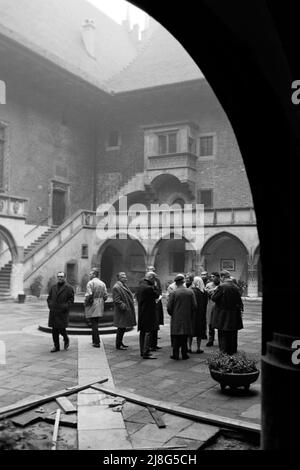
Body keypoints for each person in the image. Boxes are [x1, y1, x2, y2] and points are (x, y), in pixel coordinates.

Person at [211, 270, 244, 355]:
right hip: (234, 314)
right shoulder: (235, 286)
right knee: (233, 333)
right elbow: (239, 301)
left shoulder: (222, 286)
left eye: (221, 277)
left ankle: (223, 351)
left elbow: (214, 298)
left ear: (222, 277)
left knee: (223, 334)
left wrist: (214, 291)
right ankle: (232, 350)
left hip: (223, 314)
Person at [167, 273, 196, 360]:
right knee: (184, 336)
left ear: (176, 283)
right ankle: (184, 354)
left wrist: (173, 313)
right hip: (187, 317)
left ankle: (175, 354)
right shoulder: (190, 292)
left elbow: (169, 307)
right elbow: (194, 306)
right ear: (183, 282)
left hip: (176, 317)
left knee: (176, 336)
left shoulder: (173, 293)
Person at [47, 271, 74, 352]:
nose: (60, 278)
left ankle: (66, 339)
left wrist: (65, 306)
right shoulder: (53, 287)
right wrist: (50, 305)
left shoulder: (69, 288)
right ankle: (56, 346)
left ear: (64, 277)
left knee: (62, 329)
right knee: (54, 330)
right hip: (54, 311)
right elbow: (49, 298)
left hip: (62, 312)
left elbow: (71, 300)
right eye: (58, 276)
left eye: (61, 276)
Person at [136, 271, 159, 359]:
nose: (155, 280)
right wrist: (155, 286)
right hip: (148, 313)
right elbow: (156, 295)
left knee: (142, 332)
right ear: (151, 278)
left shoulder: (140, 286)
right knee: (148, 332)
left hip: (142, 312)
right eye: (154, 279)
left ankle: (142, 351)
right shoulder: (149, 288)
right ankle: (146, 352)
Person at [84, 268, 108, 348]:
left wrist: (86, 303)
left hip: (93, 303)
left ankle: (97, 342)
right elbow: (106, 296)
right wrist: (101, 300)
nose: (89, 275)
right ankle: (94, 340)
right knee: (96, 322)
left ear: (94, 274)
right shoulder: (102, 283)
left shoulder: (90, 283)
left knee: (94, 324)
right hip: (100, 303)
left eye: (91, 274)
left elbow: (89, 295)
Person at [112, 272, 136, 350]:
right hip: (121, 312)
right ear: (118, 278)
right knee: (121, 328)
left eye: (125, 276)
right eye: (123, 277)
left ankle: (120, 342)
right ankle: (118, 345)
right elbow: (117, 300)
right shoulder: (117, 287)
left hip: (124, 311)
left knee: (122, 328)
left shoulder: (123, 285)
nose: (125, 278)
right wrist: (125, 307)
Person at [185, 274, 207, 353]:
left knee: (190, 331)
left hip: (191, 314)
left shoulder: (190, 290)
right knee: (199, 332)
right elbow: (205, 304)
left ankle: (189, 347)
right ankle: (198, 348)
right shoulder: (204, 292)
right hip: (200, 314)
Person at [147, 265, 163, 351]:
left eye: (154, 270)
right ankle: (149, 345)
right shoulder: (145, 281)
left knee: (156, 324)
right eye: (151, 270)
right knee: (150, 326)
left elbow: (159, 290)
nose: (153, 272)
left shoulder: (157, 280)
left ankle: (154, 344)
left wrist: (159, 297)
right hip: (150, 306)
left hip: (157, 304)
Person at [205, 272, 221, 346]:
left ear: (218, 277)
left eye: (213, 276)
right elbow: (207, 293)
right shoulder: (209, 285)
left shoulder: (222, 285)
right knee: (210, 323)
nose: (212, 278)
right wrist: (215, 289)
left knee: (220, 323)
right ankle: (211, 339)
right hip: (210, 306)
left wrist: (213, 291)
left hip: (219, 306)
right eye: (211, 277)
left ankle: (221, 340)